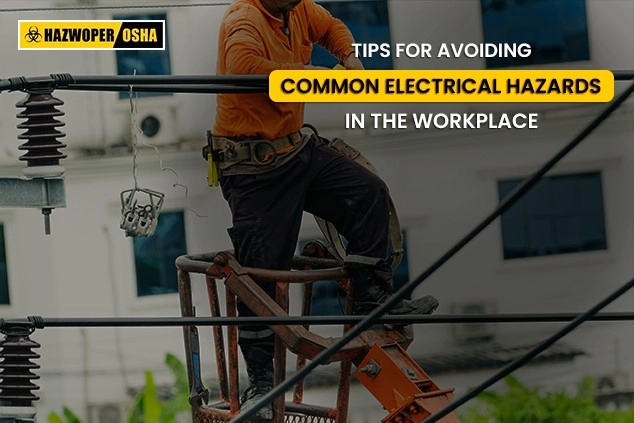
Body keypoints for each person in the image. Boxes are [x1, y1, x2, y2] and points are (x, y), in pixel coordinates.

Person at [212, 0, 439, 418]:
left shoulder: (297, 10)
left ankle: (371, 299)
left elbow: (331, 26)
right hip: (254, 169)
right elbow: (244, 66)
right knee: (263, 272)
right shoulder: (243, 19)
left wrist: (349, 58)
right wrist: (317, 79)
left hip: (297, 150)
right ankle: (261, 381)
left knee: (368, 192)